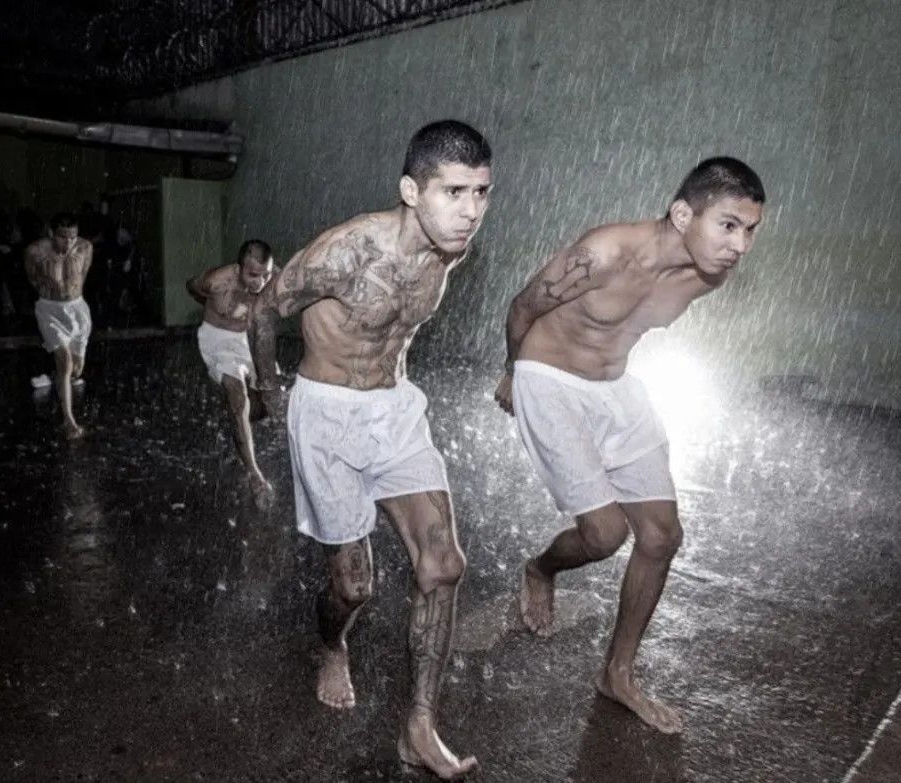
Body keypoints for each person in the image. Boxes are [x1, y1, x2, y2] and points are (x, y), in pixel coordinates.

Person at [250, 120, 492, 779]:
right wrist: (270, 390)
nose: (471, 211)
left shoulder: (450, 248)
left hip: (394, 408)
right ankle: (332, 644)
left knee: (443, 563)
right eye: (453, 192)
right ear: (411, 191)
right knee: (353, 587)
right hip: (326, 413)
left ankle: (420, 725)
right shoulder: (346, 251)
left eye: (481, 192)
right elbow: (265, 309)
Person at [494, 157, 766, 735]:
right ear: (682, 214)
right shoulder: (605, 252)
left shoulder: (709, 274)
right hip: (549, 379)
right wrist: (513, 373)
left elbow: (627, 328)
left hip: (616, 389)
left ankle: (617, 674)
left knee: (662, 536)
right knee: (604, 535)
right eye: (728, 225)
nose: (740, 245)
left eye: (750, 230)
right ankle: (540, 569)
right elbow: (523, 306)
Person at [186, 240, 276, 508]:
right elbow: (192, 286)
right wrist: (213, 305)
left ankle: (239, 421)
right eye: (253, 275)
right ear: (239, 269)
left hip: (247, 338)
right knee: (238, 398)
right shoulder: (217, 281)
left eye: (266, 275)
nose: (260, 282)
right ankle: (254, 474)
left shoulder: (274, 279)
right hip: (218, 338)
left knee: (267, 403)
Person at [24, 212, 93, 439]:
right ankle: (69, 421)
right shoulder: (35, 251)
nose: (69, 242)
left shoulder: (85, 248)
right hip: (49, 309)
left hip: (77, 309)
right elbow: (32, 278)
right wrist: (52, 294)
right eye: (63, 237)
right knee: (65, 361)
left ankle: (60, 380)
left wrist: (70, 295)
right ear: (51, 233)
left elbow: (82, 276)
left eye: (73, 237)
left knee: (76, 369)